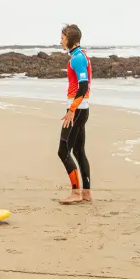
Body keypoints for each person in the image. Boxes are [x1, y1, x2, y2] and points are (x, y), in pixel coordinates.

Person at [58, 23, 92, 204]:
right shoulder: (80, 55)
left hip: (76, 110)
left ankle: (76, 192)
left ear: (70, 39)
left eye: (62, 37)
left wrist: (71, 110)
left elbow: (83, 86)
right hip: (81, 109)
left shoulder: (77, 58)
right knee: (78, 151)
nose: (61, 41)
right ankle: (86, 192)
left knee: (63, 151)